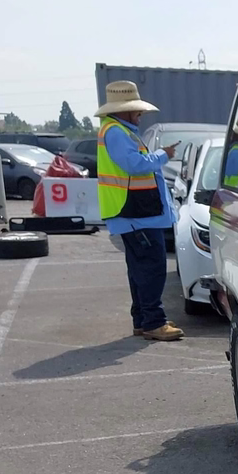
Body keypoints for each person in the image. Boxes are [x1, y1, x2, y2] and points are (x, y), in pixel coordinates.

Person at [95, 81, 183, 341]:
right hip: (135, 213)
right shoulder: (117, 132)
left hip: (134, 212)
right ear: (125, 110)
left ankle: (144, 320)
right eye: (136, 110)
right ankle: (154, 322)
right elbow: (134, 165)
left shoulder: (117, 130)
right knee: (152, 268)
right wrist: (162, 155)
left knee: (140, 269)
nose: (140, 114)